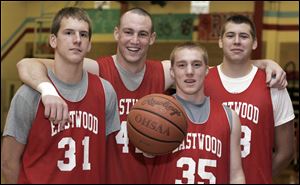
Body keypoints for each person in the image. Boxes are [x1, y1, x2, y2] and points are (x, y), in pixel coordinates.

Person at [15, 8, 288, 183]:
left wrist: (264, 64)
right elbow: (28, 64)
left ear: (152, 38)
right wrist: (47, 89)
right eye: (129, 33)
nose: (135, 40)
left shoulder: (165, 71)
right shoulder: (98, 70)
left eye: (143, 34)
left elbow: (208, 67)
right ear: (117, 34)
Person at [1, 7, 120, 184]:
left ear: (89, 44)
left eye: (84, 35)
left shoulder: (106, 91)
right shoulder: (29, 95)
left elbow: (109, 158)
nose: (77, 40)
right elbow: (8, 163)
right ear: (53, 40)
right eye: (69, 33)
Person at [204, 14, 295, 184]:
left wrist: (261, 177)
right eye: (230, 35)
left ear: (254, 43)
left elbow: (286, 152)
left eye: (244, 36)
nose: (237, 41)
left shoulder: (273, 84)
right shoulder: (202, 81)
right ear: (220, 41)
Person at [150, 42, 245, 184]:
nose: (189, 71)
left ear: (207, 70)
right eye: (182, 65)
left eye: (196, 65)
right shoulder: (157, 115)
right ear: (172, 72)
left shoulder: (229, 117)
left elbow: (236, 175)